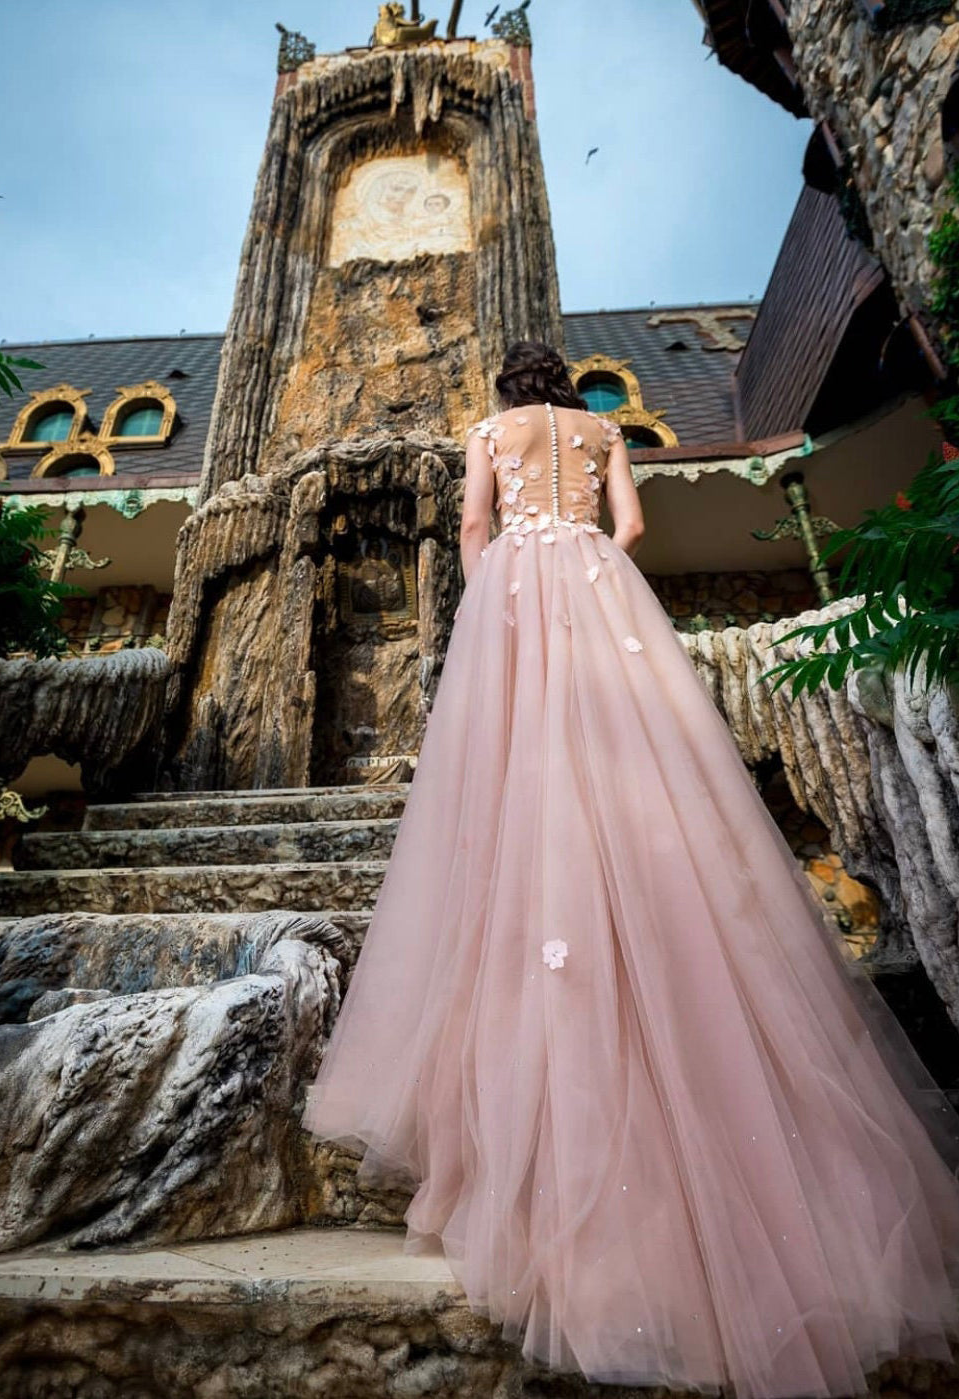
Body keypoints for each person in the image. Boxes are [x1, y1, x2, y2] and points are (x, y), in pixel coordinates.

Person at [301, 340, 959, 1398]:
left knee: (517, 775)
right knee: (648, 765)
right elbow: (634, 529)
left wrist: (495, 601)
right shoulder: (603, 431)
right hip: (601, 591)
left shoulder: (485, 435)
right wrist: (583, 558)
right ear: (564, 388)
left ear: (506, 395)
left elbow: (473, 526)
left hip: (520, 588)